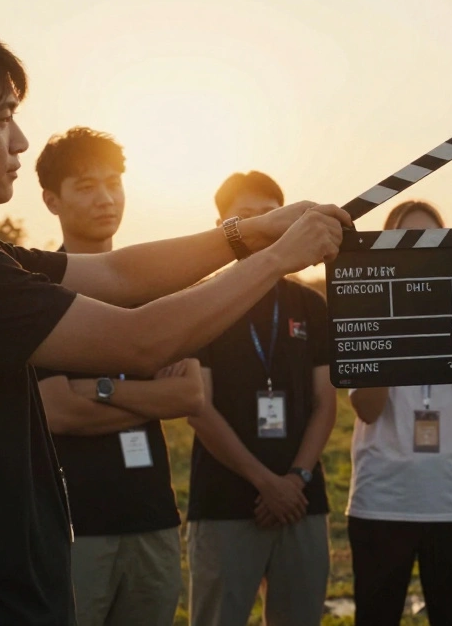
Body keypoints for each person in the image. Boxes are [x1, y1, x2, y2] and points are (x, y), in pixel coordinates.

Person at [0, 19, 347, 625]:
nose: (19, 141)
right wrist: (281, 258)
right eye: (0, 118)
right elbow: (142, 339)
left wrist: (250, 234)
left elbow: (121, 274)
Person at [32, 126, 205, 626]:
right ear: (51, 200)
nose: (105, 198)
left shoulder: (156, 286)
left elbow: (190, 394)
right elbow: (58, 411)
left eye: (113, 182)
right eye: (85, 186)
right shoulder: (38, 291)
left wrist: (102, 389)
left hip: (153, 519)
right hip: (73, 526)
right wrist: (150, 392)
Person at [185, 171, 337, 626]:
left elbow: (325, 404)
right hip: (226, 502)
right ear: (221, 225)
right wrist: (266, 483)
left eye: (271, 216)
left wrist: (295, 478)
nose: (261, 225)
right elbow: (198, 407)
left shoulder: (310, 305)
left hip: (302, 501)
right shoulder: (202, 301)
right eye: (245, 217)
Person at [345, 200, 452, 626]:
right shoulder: (366, 311)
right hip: (381, 501)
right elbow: (366, 409)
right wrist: (388, 330)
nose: (417, 249)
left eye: (429, 239)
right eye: (405, 239)